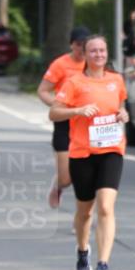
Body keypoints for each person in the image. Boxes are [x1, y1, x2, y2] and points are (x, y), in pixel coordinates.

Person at [49, 34, 128, 270]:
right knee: (85, 212)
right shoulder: (74, 82)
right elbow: (53, 112)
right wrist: (77, 111)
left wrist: (123, 115)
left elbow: (120, 106)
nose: (98, 55)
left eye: (102, 51)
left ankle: (103, 264)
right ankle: (83, 250)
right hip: (82, 153)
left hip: (111, 150)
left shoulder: (116, 80)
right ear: (86, 54)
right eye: (93, 51)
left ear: (107, 53)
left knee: (106, 206)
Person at [38, 26, 91, 208]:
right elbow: (43, 91)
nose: (81, 49)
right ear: (71, 45)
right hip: (65, 122)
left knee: (85, 175)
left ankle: (83, 215)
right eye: (78, 45)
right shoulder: (60, 64)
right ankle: (59, 184)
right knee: (66, 179)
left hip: (86, 123)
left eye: (85, 45)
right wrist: (58, 105)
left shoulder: (94, 64)